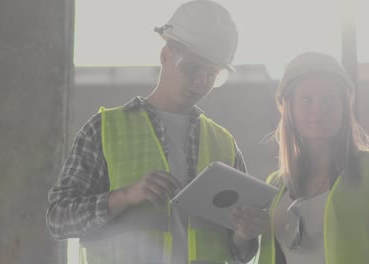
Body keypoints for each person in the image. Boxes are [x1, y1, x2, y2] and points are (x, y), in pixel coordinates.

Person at [46, 1, 263, 263]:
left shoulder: (224, 145)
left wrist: (245, 234)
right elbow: (59, 219)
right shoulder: (104, 130)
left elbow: (240, 252)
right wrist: (126, 196)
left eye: (212, 74)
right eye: (192, 68)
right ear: (165, 56)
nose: (200, 82)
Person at [256, 52, 369, 264]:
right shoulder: (275, 188)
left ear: (344, 108)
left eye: (329, 99)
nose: (318, 109)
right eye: (306, 99)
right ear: (288, 108)